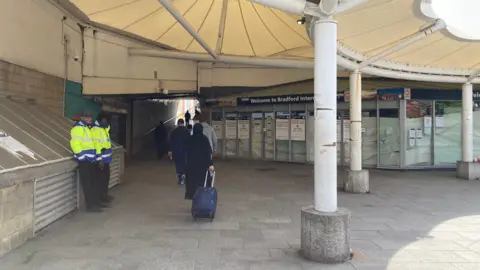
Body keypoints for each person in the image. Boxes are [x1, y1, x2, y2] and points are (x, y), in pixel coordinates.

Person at [70, 110, 104, 212]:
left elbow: (95, 144)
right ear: (82, 118)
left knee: (94, 182)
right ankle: (90, 205)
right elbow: (75, 144)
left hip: (93, 160)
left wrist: (99, 159)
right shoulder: (78, 128)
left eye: (90, 117)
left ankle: (95, 202)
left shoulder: (89, 129)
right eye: (87, 117)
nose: (89, 119)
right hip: (85, 161)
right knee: (87, 184)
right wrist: (82, 158)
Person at [184, 124, 215, 200]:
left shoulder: (189, 139)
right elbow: (207, 153)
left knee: (191, 182)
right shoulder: (204, 139)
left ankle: (192, 197)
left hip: (190, 165)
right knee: (202, 182)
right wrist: (210, 164)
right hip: (202, 166)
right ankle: (201, 199)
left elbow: (185, 152)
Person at [92, 112, 114, 204]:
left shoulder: (104, 129)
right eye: (105, 120)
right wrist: (99, 159)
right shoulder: (95, 130)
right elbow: (96, 145)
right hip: (100, 160)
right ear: (101, 119)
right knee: (100, 180)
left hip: (107, 159)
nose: (106, 122)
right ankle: (100, 198)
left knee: (106, 178)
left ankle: (104, 195)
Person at [168, 119, 190, 185]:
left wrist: (170, 150)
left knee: (177, 164)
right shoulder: (187, 132)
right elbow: (189, 142)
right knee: (184, 163)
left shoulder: (173, 132)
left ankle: (180, 176)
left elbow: (170, 142)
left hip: (176, 151)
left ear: (178, 124)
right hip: (185, 151)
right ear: (183, 123)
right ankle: (184, 174)